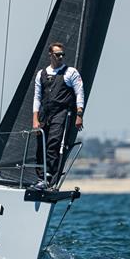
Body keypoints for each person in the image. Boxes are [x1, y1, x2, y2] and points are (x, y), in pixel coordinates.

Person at [32, 42, 85, 188]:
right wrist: (35, 119)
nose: (61, 57)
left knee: (53, 144)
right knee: (40, 146)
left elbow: (80, 93)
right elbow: (37, 97)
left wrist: (79, 114)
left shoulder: (70, 73)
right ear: (50, 55)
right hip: (44, 114)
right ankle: (40, 177)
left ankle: (49, 178)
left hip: (61, 114)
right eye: (57, 54)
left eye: (62, 54)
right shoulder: (41, 74)